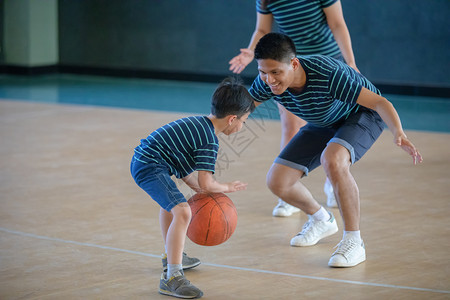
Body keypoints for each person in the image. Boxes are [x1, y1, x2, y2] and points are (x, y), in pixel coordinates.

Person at [249, 33, 423, 267]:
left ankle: (354, 241)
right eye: (263, 72)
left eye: (275, 72)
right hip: (325, 122)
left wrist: (398, 132)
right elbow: (238, 111)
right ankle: (321, 219)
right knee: (277, 181)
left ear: (294, 63)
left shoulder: (328, 74)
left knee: (333, 159)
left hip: (361, 114)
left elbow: (380, 103)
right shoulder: (266, 81)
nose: (269, 79)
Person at [229, 0, 359, 214]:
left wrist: (350, 63)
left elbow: (337, 24)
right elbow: (262, 29)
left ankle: (332, 182)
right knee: (290, 126)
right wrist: (251, 52)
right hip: (287, 69)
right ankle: (288, 190)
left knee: (331, 124)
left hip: (326, 66)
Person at [130, 77, 255, 298]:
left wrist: (202, 189)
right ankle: (172, 277)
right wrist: (227, 187)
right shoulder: (209, 139)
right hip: (149, 165)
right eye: (244, 121)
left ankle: (172, 256)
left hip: (146, 161)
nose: (242, 126)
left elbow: (187, 172)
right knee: (182, 210)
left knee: (173, 205)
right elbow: (207, 182)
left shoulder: (200, 125)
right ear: (232, 119)